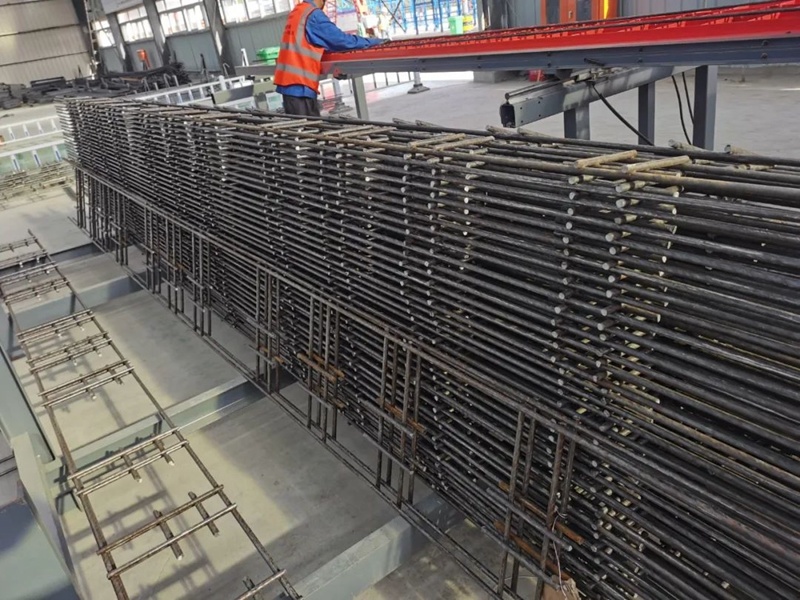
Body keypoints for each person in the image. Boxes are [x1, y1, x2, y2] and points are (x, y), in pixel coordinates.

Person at [275, 0, 382, 117]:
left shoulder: (298, 11)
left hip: (291, 85)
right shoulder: (313, 15)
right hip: (300, 86)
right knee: (308, 127)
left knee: (303, 127)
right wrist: (373, 42)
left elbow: (309, 43)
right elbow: (340, 40)